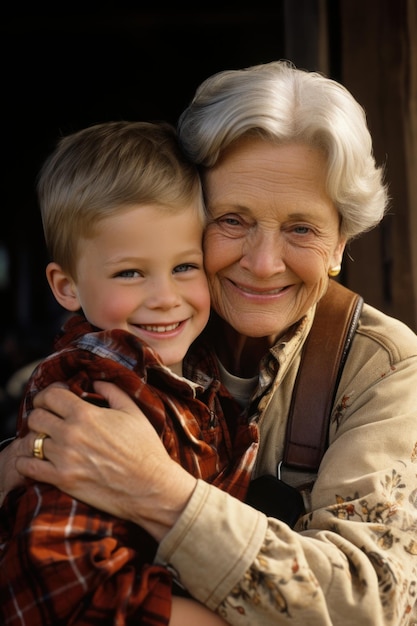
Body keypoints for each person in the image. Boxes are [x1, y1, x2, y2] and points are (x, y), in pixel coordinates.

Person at [2, 60, 417, 625]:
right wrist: (18, 464)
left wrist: (156, 490)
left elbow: (373, 606)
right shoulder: (145, 331)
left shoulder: (385, 368)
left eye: (301, 228)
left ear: (341, 243)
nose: (264, 264)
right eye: (232, 220)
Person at [0, 120, 261, 625]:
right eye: (130, 272)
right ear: (67, 286)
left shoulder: (196, 369)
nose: (165, 297)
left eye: (185, 266)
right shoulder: (93, 397)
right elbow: (65, 584)